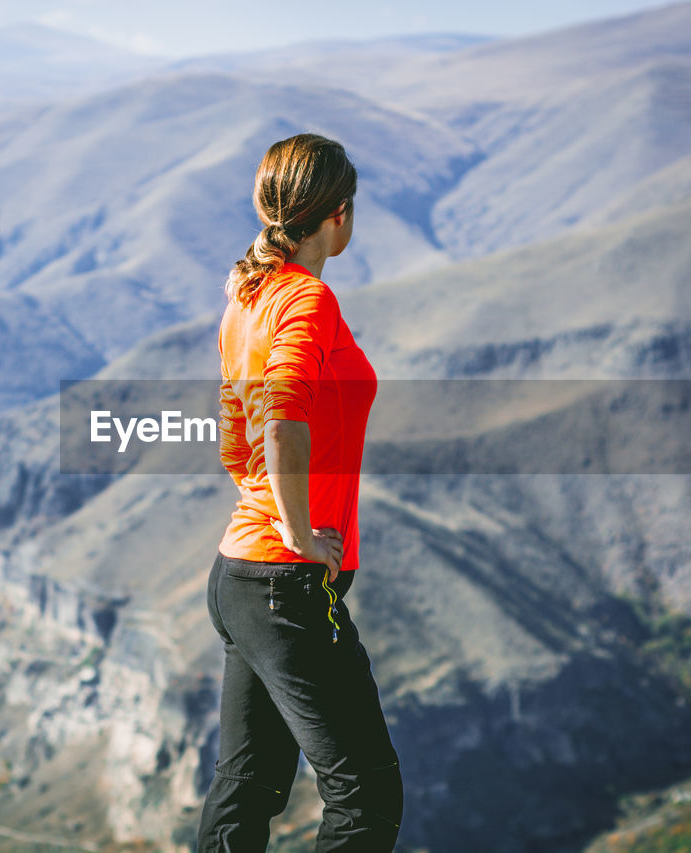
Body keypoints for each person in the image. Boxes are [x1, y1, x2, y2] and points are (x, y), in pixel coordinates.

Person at [197, 133, 403, 851]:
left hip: (238, 576)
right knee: (366, 792)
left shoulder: (246, 300)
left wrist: (270, 517)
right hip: (284, 580)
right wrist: (300, 532)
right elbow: (280, 424)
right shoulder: (306, 301)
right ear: (339, 214)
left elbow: (235, 444)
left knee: (246, 785)